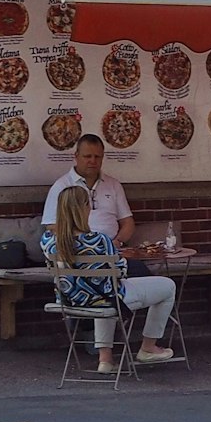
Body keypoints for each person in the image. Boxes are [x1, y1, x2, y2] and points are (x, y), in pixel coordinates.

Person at [41, 145, 174, 372]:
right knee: (166, 286)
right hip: (105, 297)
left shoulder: (47, 241)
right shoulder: (100, 240)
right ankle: (148, 347)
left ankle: (106, 360)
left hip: (70, 301)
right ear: (83, 210)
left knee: (103, 290)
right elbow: (120, 271)